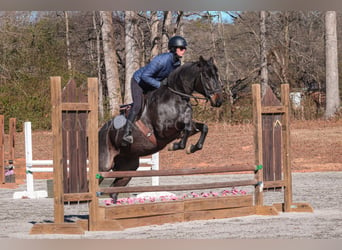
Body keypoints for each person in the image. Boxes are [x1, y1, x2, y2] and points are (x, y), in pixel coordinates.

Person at [121, 35, 188, 146]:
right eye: (181, 48)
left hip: (153, 84)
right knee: (138, 106)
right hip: (139, 82)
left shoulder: (177, 63)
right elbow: (145, 76)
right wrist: (160, 84)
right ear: (174, 49)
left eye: (184, 48)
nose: (184, 50)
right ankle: (126, 132)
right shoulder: (162, 59)